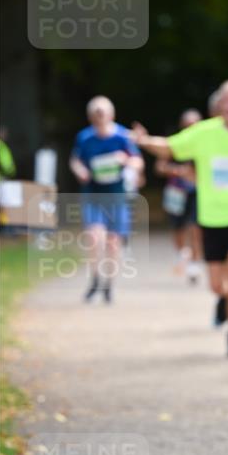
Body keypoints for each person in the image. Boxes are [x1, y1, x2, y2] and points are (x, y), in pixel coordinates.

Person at [133, 81, 228, 357]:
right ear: (218, 105)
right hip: (212, 219)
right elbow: (169, 147)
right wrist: (143, 141)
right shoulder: (203, 133)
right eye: (225, 101)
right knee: (217, 284)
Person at [70, 96, 144, 303]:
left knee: (113, 242)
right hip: (93, 194)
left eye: (102, 113)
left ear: (110, 115)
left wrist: (127, 161)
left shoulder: (122, 137)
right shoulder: (84, 138)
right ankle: (94, 278)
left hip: (117, 195)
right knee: (95, 237)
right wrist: (81, 170)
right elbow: (75, 160)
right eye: (95, 114)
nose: (99, 118)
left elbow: (138, 162)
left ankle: (108, 285)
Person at [154, 108, 203, 284]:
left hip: (197, 192)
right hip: (176, 193)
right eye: (188, 125)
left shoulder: (203, 144)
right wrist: (176, 171)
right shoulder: (174, 144)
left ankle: (195, 264)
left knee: (196, 228)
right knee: (178, 228)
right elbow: (159, 167)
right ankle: (183, 253)